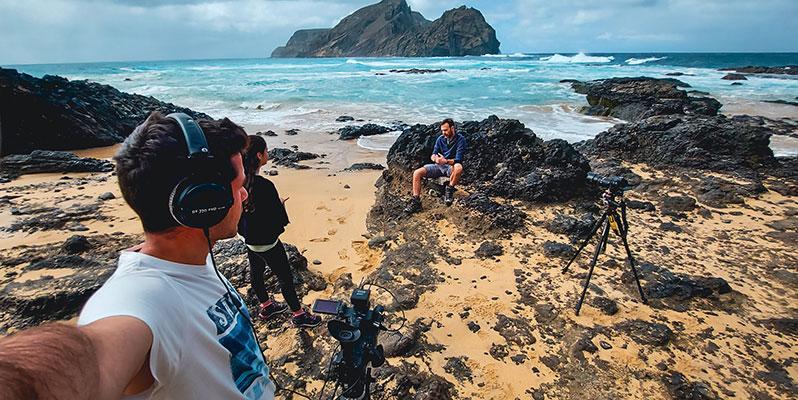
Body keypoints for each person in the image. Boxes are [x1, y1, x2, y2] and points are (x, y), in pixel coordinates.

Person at [0, 112, 275, 399]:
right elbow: (81, 362)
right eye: (239, 185)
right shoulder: (141, 297)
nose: (244, 195)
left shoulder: (190, 258)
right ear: (202, 202)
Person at [239, 135, 321, 328]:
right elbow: (279, 222)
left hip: (250, 242)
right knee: (285, 278)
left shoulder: (239, 183)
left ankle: (267, 306)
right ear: (259, 155)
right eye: (266, 151)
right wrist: (281, 205)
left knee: (256, 275)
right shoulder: (265, 186)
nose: (268, 154)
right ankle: (298, 314)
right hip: (269, 243)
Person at [405, 118, 467, 213]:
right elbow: (433, 154)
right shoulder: (440, 139)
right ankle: (416, 200)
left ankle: (449, 190)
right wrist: (435, 159)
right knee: (417, 173)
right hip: (438, 166)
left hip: (450, 167)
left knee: (459, 167)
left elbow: (459, 159)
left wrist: (445, 161)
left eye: (445, 130)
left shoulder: (461, 139)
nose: (443, 133)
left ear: (452, 128)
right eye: (442, 130)